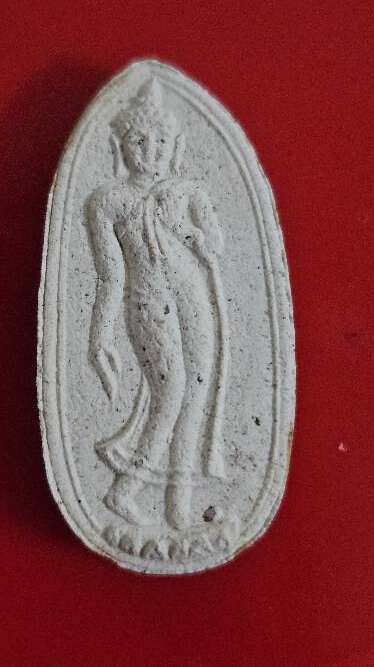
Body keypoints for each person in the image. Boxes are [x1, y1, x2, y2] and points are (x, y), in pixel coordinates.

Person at [87, 79, 228, 530]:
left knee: (197, 390)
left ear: (175, 145)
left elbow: (213, 247)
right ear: (121, 146)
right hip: (147, 300)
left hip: (192, 294)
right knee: (171, 391)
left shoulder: (187, 192)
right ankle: (123, 490)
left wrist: (185, 230)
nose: (150, 152)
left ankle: (178, 502)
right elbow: (110, 275)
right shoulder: (108, 201)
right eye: (139, 142)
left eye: (160, 142)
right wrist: (100, 336)